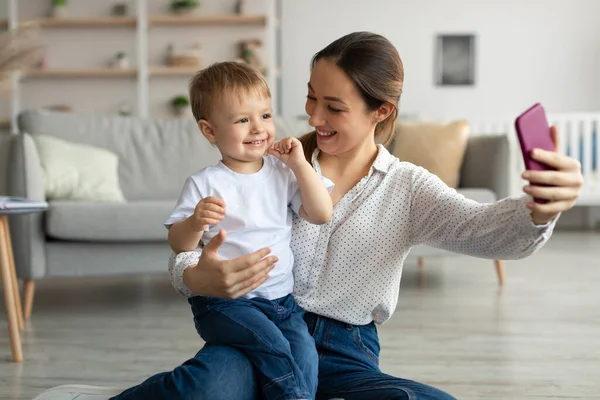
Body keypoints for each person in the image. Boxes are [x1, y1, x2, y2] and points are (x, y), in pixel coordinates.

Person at [33, 31, 583, 400]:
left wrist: (540, 208)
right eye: (310, 98)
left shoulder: (408, 188)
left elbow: (488, 232)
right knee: (205, 389)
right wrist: (195, 275)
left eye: (334, 107)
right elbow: (190, 251)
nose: (313, 117)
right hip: (257, 330)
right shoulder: (271, 163)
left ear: (381, 111)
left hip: (345, 350)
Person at [167, 61, 333, 400]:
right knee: (274, 350)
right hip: (226, 304)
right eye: (243, 120)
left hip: (283, 303)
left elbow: (320, 213)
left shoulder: (282, 172)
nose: (258, 128)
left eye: (266, 116)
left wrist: (300, 165)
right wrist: (195, 222)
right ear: (209, 131)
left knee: (305, 359)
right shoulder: (205, 183)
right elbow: (179, 245)